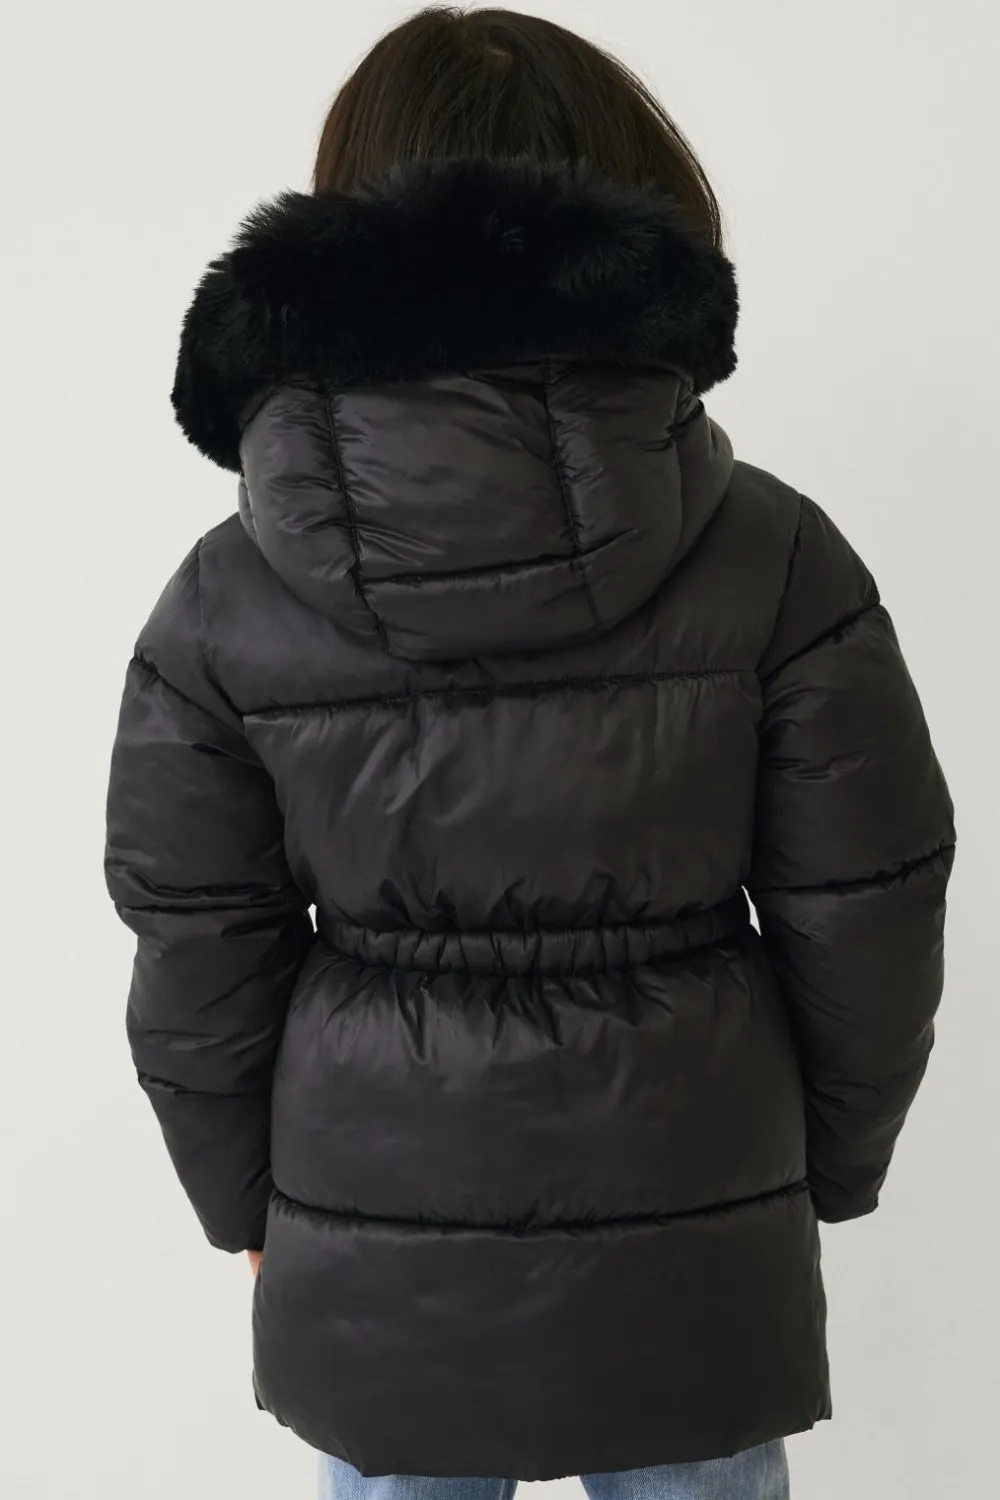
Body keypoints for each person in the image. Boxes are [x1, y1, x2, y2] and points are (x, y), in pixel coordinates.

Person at [105, 8, 955, 1500]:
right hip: (696, 1201)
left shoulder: (226, 595)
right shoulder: (774, 554)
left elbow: (198, 939)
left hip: (372, 1225)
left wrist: (248, 1205)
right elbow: (869, 906)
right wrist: (825, 1167)